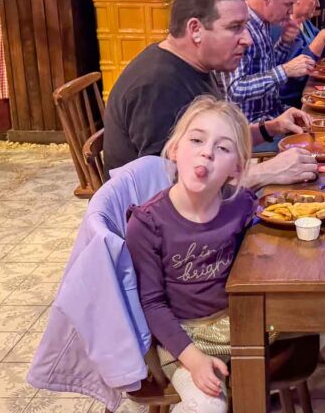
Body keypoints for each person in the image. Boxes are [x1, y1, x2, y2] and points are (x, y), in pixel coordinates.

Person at [103, 0, 318, 186]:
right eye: (235, 27)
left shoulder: (194, 65)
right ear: (195, 30)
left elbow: (218, 142)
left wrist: (271, 127)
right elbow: (170, 189)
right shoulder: (158, 87)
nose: (247, 39)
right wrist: (263, 172)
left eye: (245, 27)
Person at [126, 96, 255, 413]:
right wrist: (194, 360)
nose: (207, 152)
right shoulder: (147, 223)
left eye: (222, 148)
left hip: (238, 323)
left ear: (236, 168)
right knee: (207, 406)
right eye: (196, 140)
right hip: (183, 338)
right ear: (174, 149)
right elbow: (152, 304)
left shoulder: (241, 206)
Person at [225, 0, 316, 124]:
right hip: (250, 129)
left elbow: (265, 70)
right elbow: (236, 90)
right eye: (288, 4)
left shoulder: (263, 21)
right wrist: (285, 70)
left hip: (273, 115)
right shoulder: (241, 25)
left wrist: (285, 42)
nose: (291, 11)